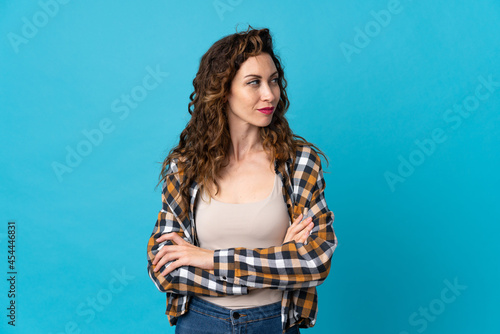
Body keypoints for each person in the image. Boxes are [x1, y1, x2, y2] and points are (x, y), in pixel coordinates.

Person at [146, 26, 338, 334]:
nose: (270, 94)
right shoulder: (185, 167)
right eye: (254, 83)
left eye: (274, 81)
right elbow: (165, 270)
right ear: (224, 89)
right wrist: (278, 259)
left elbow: (314, 261)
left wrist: (207, 258)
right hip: (200, 323)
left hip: (274, 323)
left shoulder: (298, 162)